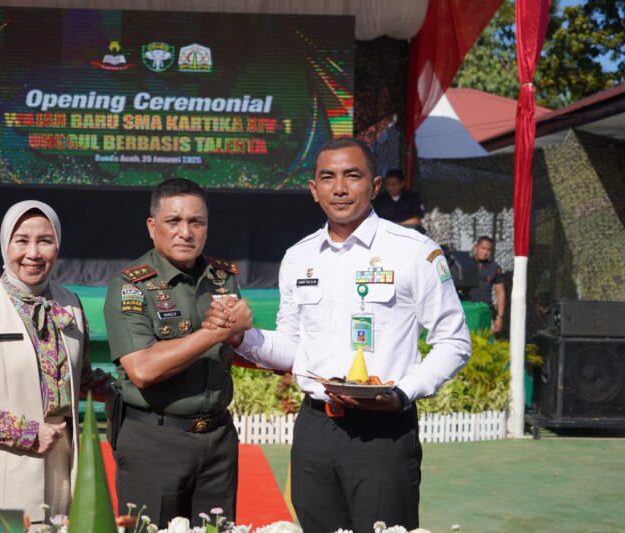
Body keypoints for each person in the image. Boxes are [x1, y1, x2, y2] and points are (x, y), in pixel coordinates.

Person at [207, 138, 470, 533]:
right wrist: (241, 337)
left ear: (375, 185)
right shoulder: (299, 256)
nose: (340, 188)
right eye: (327, 178)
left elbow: (453, 341)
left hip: (383, 430)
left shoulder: (415, 252)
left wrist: (401, 393)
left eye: (353, 175)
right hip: (316, 430)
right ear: (314, 190)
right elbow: (292, 346)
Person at [0, 201, 107, 526]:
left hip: (59, 462)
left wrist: (127, 388)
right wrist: (27, 434)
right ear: (6, 245)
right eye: (22, 241)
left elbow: (80, 376)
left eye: (45, 240)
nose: (34, 252)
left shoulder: (70, 306)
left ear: (57, 246)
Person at [103, 178, 253, 528]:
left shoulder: (222, 277)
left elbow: (233, 346)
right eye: (174, 221)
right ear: (152, 227)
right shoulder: (131, 285)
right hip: (154, 441)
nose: (186, 232)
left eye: (196, 222)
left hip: (217, 441)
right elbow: (142, 369)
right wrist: (216, 331)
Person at [467, 236, 506, 334]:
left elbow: (500, 292)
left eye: (488, 250)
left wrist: (499, 317)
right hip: (467, 310)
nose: (485, 252)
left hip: (486, 311)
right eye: (483, 248)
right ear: (476, 247)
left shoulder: (494, 267)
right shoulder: (465, 263)